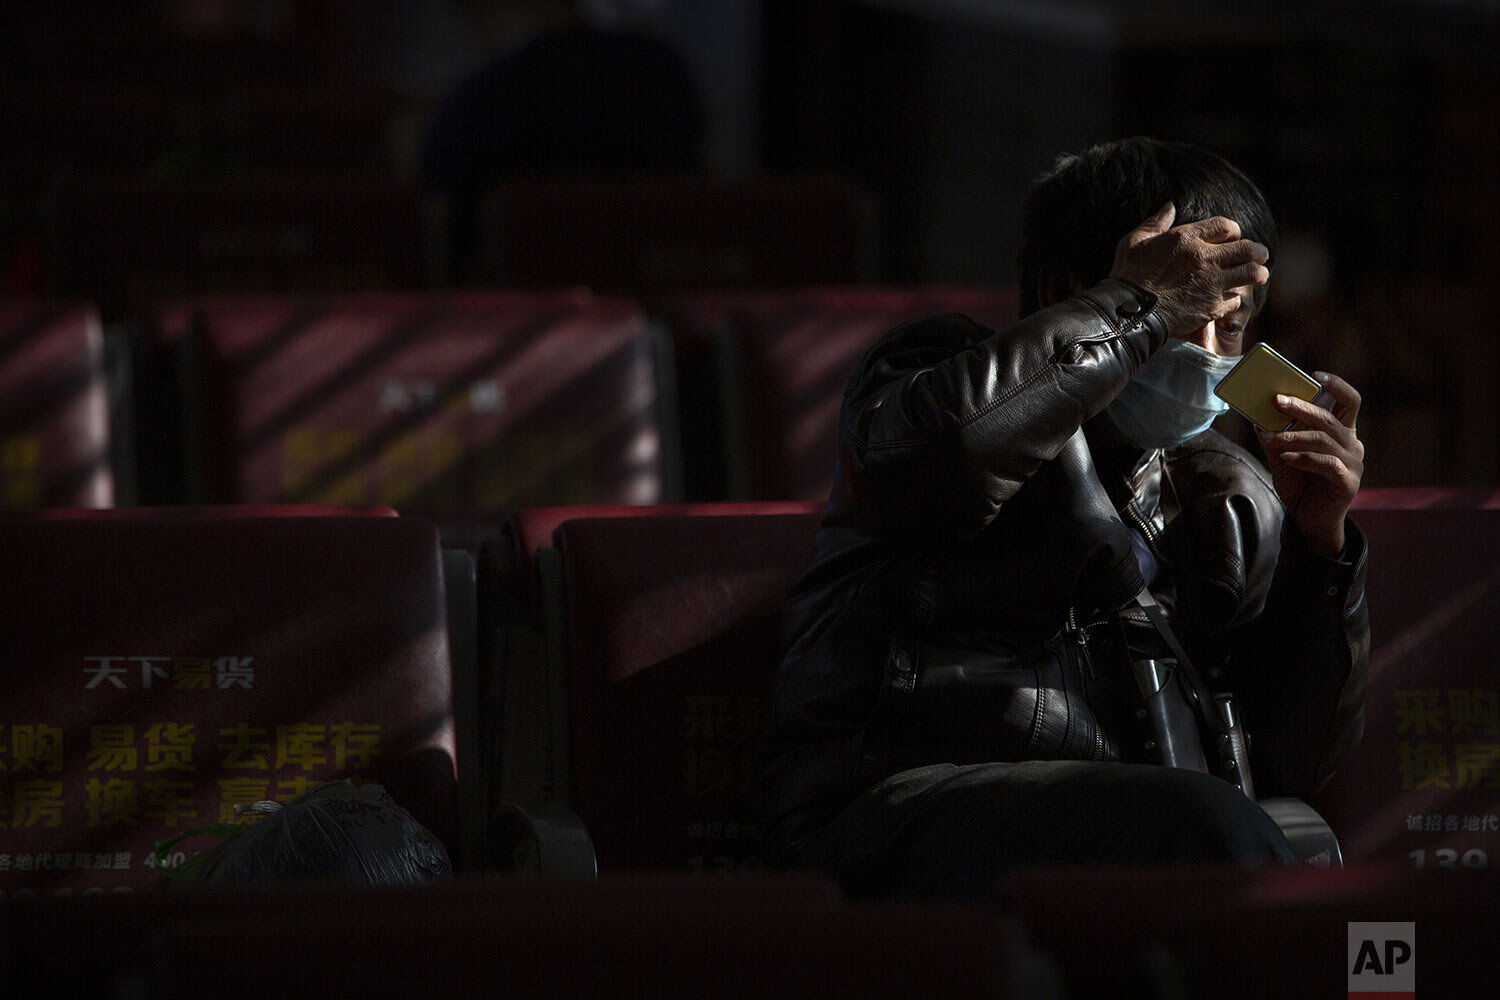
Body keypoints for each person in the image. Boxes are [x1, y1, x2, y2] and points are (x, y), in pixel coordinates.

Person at [753, 137, 1370, 902]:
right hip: (895, 825)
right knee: (1199, 831)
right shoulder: (934, 375)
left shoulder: (1223, 492)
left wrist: (1321, 553)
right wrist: (1136, 310)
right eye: (1183, 305)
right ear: (1064, 292)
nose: (1206, 349)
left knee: (1341, 904)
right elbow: (947, 452)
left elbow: (1293, 765)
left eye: (1230, 322)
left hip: (1148, 837)